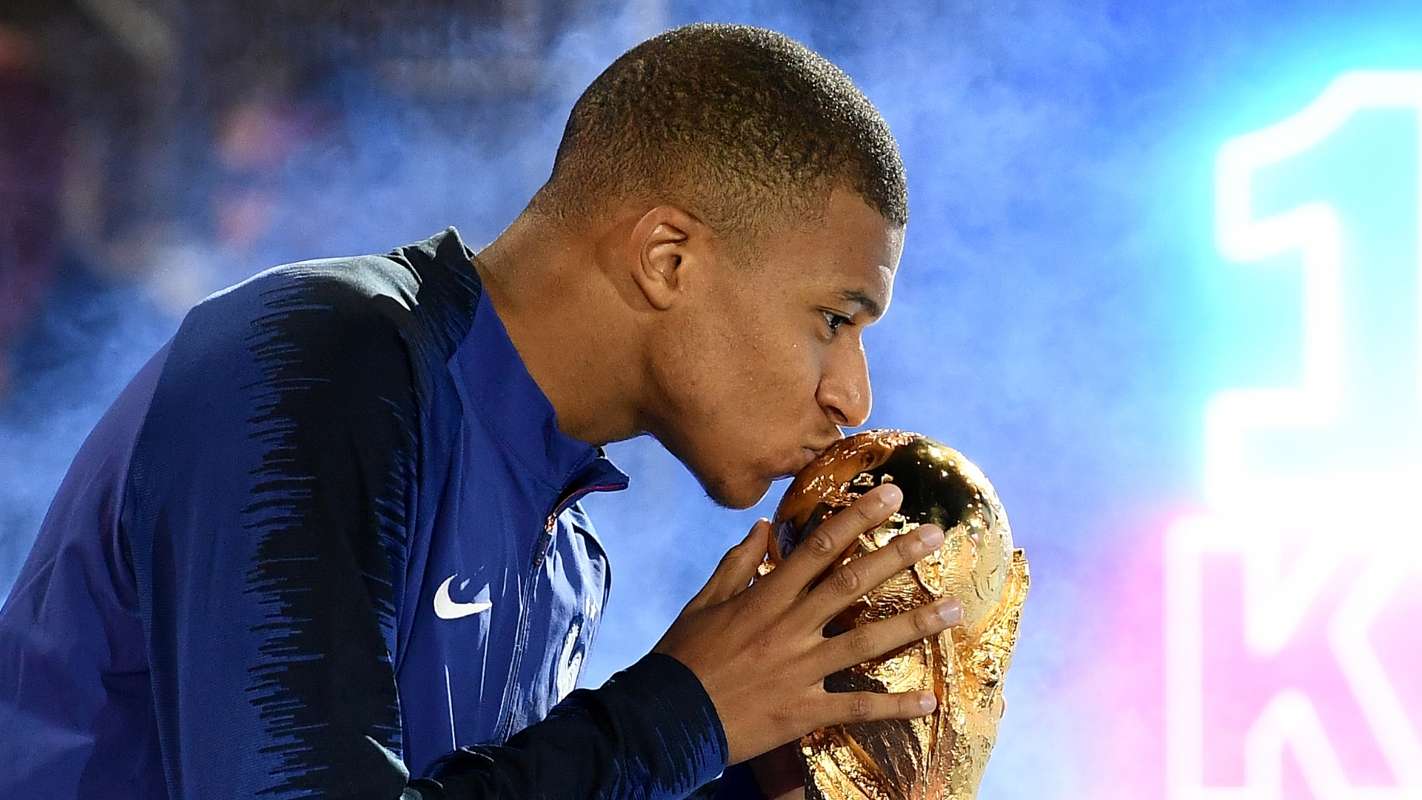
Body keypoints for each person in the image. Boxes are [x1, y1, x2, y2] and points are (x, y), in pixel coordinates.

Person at [0, 23, 963, 799]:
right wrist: (683, 716)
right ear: (667, 259)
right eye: (834, 320)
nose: (853, 395)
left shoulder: (569, 556)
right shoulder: (321, 357)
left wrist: (766, 767)